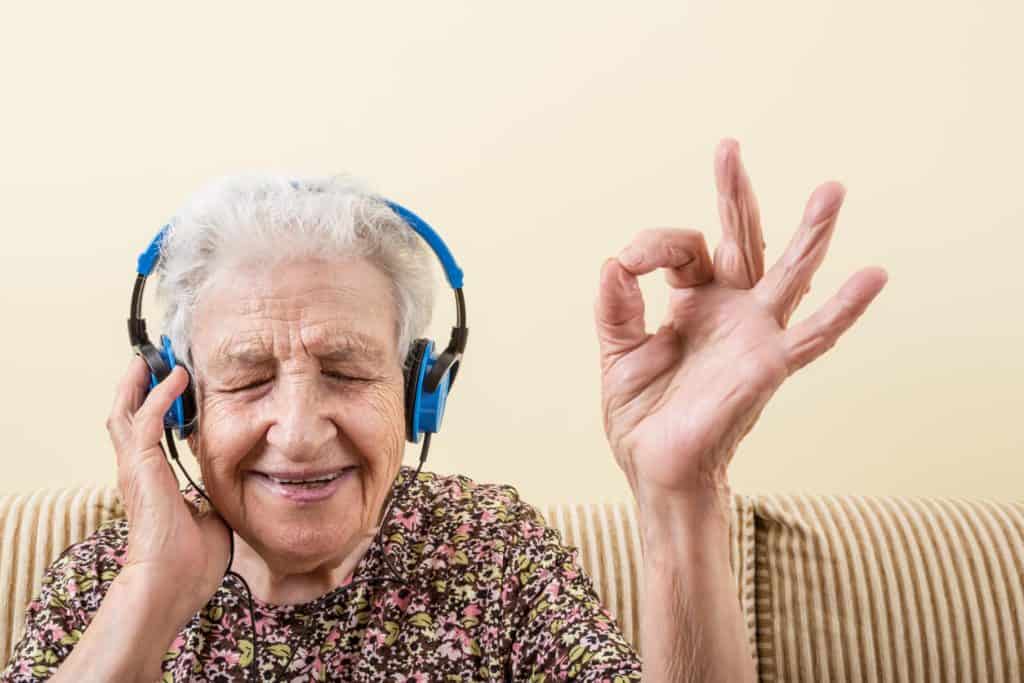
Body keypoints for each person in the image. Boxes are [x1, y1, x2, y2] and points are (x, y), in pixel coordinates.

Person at [2, 138, 887, 682]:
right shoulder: (101, 584)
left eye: (347, 372)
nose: (302, 430)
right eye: (246, 378)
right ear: (178, 398)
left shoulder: (488, 550)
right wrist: (152, 597)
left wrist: (683, 494)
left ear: (421, 389)